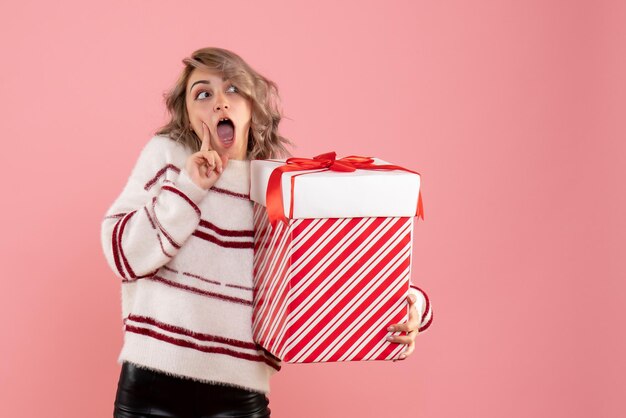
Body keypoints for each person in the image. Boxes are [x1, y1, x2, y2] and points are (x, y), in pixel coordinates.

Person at [100, 47, 433, 418]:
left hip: (238, 398)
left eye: (232, 90)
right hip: (150, 389)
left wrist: (411, 304)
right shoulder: (167, 158)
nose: (220, 103)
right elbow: (123, 257)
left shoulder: (278, 188)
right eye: (203, 93)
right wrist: (190, 188)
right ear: (187, 113)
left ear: (253, 107)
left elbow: (333, 271)